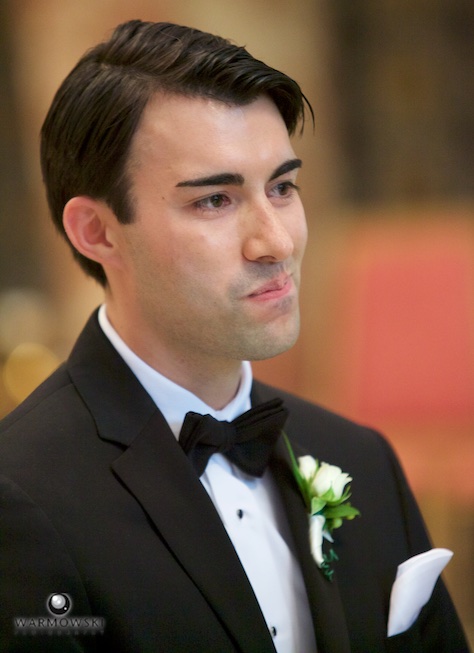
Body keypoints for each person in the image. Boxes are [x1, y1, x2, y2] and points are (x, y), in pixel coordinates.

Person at [0, 19, 469, 653]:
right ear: (98, 232)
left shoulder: (361, 461)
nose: (276, 242)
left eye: (282, 187)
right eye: (215, 201)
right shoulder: (21, 497)